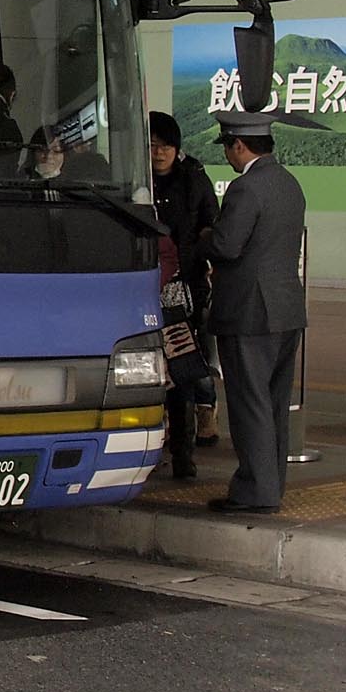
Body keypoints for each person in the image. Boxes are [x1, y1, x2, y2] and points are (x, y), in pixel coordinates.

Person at [202, 109, 307, 513]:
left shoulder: (245, 189)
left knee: (250, 403)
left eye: (228, 148)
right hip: (286, 310)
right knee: (274, 403)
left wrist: (205, 236)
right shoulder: (289, 183)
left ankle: (254, 492)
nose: (228, 156)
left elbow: (227, 245)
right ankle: (271, 484)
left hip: (249, 312)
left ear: (239, 145)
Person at [150, 110, 220, 478]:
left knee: (183, 372)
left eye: (166, 145)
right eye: (152, 144)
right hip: (146, 290)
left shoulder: (192, 180)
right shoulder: (139, 180)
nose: (158, 152)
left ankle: (183, 453)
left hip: (185, 294)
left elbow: (211, 224)